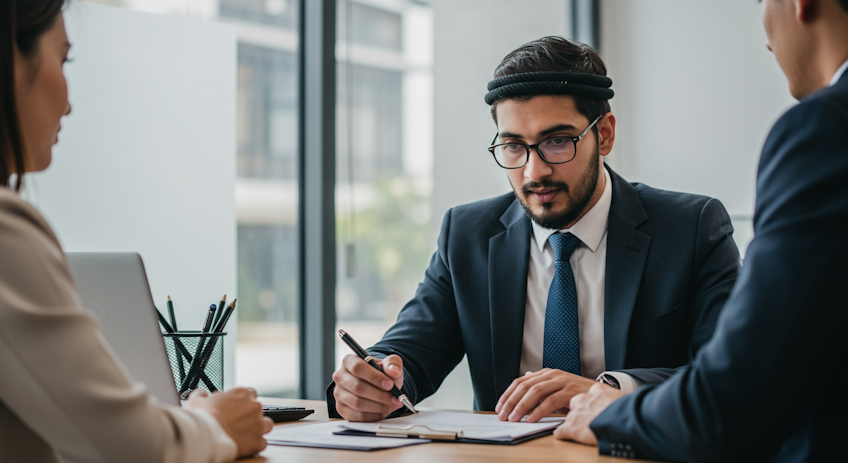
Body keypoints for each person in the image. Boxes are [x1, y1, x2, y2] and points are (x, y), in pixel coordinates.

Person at [328, 36, 741, 423]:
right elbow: (410, 351)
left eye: (557, 141)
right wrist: (372, 380)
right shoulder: (468, 234)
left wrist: (608, 391)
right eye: (513, 146)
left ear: (605, 134)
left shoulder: (691, 228)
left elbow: (734, 376)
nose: (534, 171)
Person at [554, 0, 848, 461]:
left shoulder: (825, 129)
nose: (767, 39)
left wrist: (610, 409)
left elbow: (738, 397)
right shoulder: (466, 229)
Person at [0, 1, 273, 462]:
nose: (69, 101)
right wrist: (213, 424)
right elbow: (132, 448)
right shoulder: (7, 236)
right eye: (63, 59)